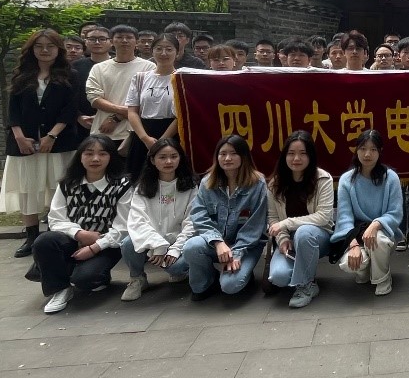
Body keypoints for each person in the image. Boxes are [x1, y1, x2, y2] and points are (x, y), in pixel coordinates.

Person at [0, 29, 79, 257]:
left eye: (50, 46)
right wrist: (19, 136)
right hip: (23, 142)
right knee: (28, 188)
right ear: (31, 49)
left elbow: (70, 109)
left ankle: (56, 235)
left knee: (58, 188)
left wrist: (52, 135)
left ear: (58, 49)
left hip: (59, 141)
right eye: (39, 46)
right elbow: (13, 110)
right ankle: (31, 237)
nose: (45, 50)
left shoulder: (70, 75)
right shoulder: (21, 75)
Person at [32, 134, 131, 314]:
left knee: (85, 280)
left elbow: (123, 228)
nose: (95, 159)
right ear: (80, 156)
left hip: (107, 244)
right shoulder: (67, 184)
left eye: (102, 154)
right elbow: (55, 219)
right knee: (44, 241)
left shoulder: (123, 185)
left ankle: (92, 275)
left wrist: (94, 247)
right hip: (73, 240)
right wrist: (80, 234)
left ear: (111, 157)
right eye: (89, 153)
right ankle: (60, 289)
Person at [183, 134, 269, 300]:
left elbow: (254, 227)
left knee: (231, 286)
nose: (227, 158)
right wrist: (218, 242)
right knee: (191, 247)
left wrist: (236, 254)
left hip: (245, 246)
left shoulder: (258, 184)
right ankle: (207, 282)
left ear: (244, 156)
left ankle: (243, 275)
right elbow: (199, 216)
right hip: (216, 243)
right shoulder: (207, 182)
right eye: (222, 154)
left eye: (233, 153)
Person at [266, 130, 336, 308]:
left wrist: (286, 223)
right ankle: (306, 275)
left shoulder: (323, 179)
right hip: (290, 240)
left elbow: (323, 217)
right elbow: (273, 217)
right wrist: (282, 239)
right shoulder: (275, 184)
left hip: (317, 237)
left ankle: (306, 286)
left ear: (310, 156)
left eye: (302, 153)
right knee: (279, 277)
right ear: (284, 156)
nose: (296, 158)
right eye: (291, 153)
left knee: (303, 233)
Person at [119, 138, 194, 300]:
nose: (169, 161)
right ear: (152, 160)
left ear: (180, 159)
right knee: (127, 243)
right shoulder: (142, 187)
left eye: (173, 156)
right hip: (152, 240)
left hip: (178, 241)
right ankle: (137, 279)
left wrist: (175, 249)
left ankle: (179, 271)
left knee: (176, 268)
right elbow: (137, 221)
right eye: (162, 157)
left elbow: (191, 223)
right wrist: (157, 245)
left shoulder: (191, 186)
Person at [333, 129, 405, 296]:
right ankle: (364, 269)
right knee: (348, 263)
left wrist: (376, 224)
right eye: (363, 148)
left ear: (380, 152)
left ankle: (382, 278)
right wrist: (353, 244)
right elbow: (344, 218)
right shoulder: (346, 180)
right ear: (356, 150)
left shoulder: (391, 178)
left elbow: (395, 213)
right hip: (356, 234)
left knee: (377, 239)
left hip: (383, 234)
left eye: (373, 149)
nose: (367, 154)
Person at [123, 31, 180, 179]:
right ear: (152, 51)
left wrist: (162, 142)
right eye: (159, 49)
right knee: (138, 178)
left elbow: (182, 116)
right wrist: (145, 138)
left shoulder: (182, 79)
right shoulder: (140, 78)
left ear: (177, 52)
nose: (163, 53)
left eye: (169, 49)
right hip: (143, 134)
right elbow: (132, 111)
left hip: (172, 134)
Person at [85, 25, 154, 144]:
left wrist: (116, 118)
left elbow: (148, 101)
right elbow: (94, 98)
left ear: (137, 42)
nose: (124, 41)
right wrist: (125, 111)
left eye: (129, 37)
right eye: (120, 37)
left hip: (136, 131)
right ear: (111, 41)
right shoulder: (98, 68)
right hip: (103, 131)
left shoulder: (149, 67)